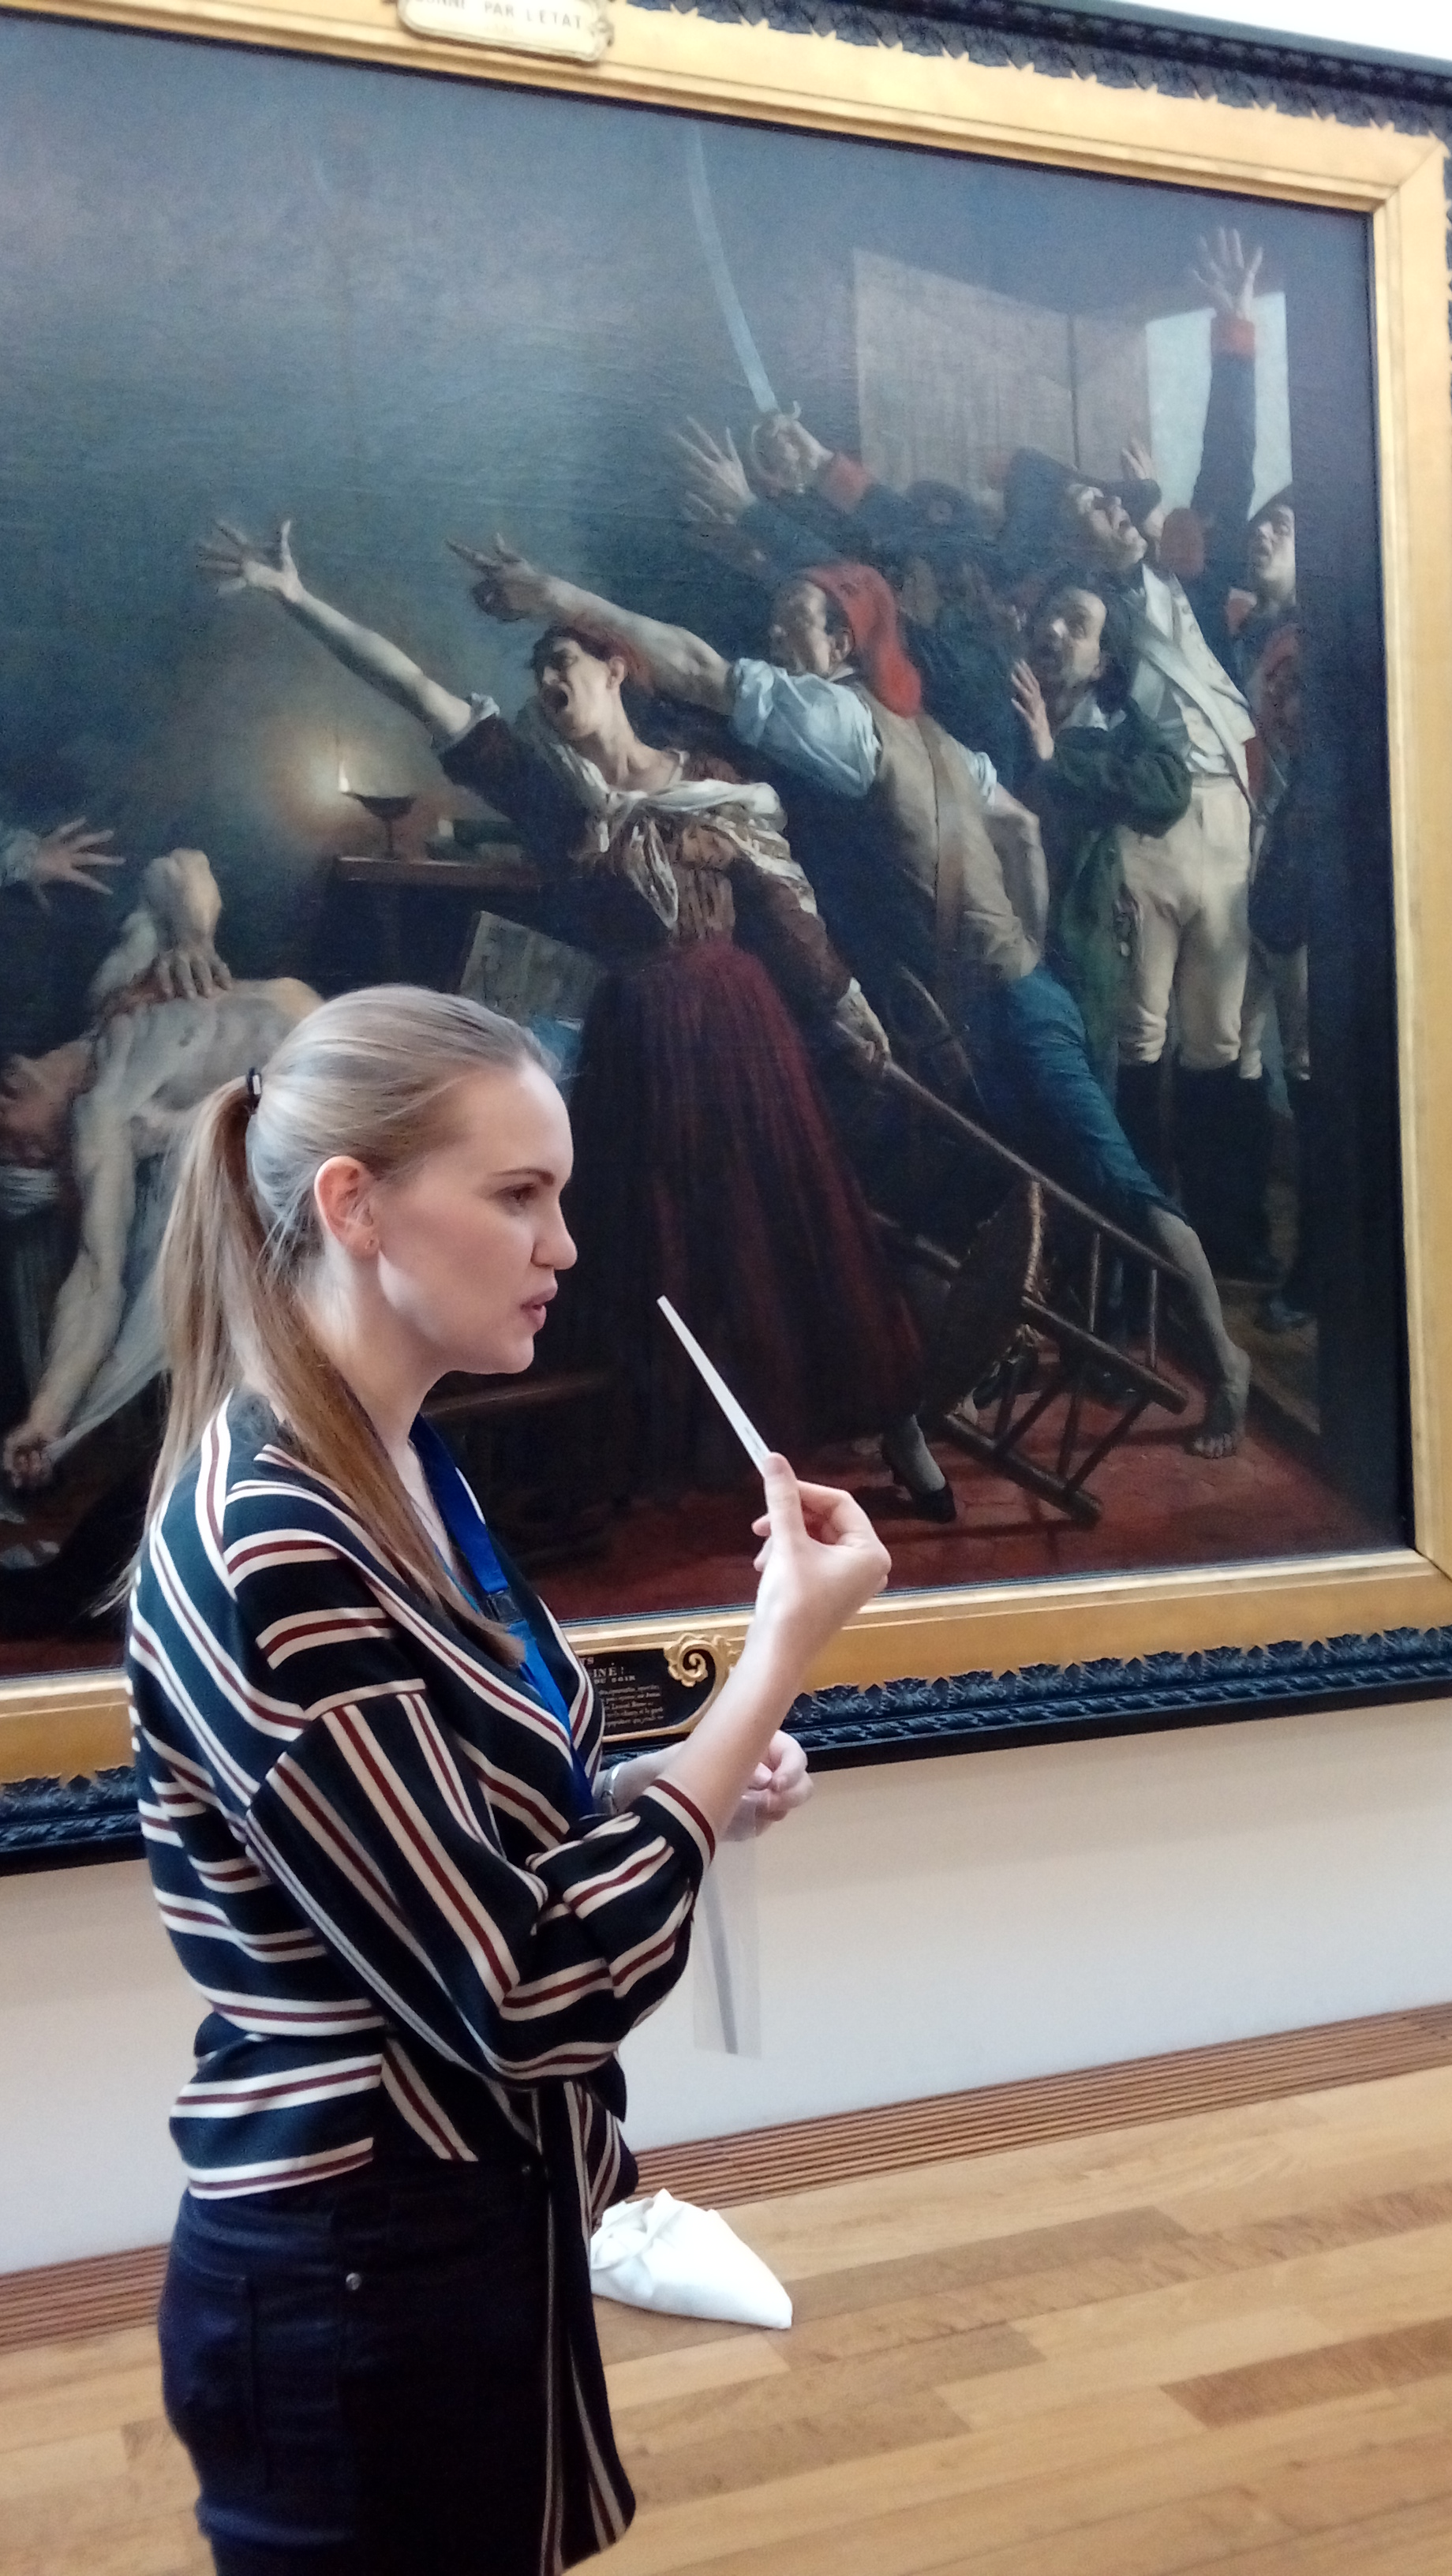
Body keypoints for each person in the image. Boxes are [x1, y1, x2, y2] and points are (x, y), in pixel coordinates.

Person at [128, 984, 889, 2574]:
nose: (563, 1246)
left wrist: (672, 1785)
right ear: (356, 1204)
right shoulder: (276, 1541)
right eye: (519, 1195)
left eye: (562, 1195)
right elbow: (524, 1983)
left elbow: (464, 1825)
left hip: (465, 2233)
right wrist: (767, 1668)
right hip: (359, 2277)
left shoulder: (399, 1468)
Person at [197, 519, 947, 1519]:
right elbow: (414, 688)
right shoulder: (553, 797)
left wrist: (846, 1008)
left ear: (615, 669)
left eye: (565, 661)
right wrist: (296, 598)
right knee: (669, 1241)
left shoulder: (713, 782)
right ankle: (715, 1465)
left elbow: (786, 908)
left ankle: (903, 1438)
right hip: (643, 1041)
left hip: (741, 1030)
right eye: (540, 669)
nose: (550, 680)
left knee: (797, 1224)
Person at [458, 538, 1251, 1457]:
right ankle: (915, 1399)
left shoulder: (837, 720)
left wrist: (552, 592)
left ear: (843, 640)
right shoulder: (936, 740)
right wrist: (1023, 951)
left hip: (1000, 1013)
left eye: (793, 618)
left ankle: (1224, 1364)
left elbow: (703, 671)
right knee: (901, 1190)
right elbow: (1021, 832)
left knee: (1111, 1181)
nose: (774, 635)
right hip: (978, 1009)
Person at [2, 848, 312, 1490]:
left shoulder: (110, 997)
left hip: (362, 1038)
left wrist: (193, 938)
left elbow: (176, 867)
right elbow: (98, 1278)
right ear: (34, 1156)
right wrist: (46, 1417)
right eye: (1, 1136)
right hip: (351, 1101)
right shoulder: (108, 1121)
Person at [1008, 574, 1192, 1095]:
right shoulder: (998, 698)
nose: (1054, 629)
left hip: (1076, 938)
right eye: (1051, 615)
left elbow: (1170, 790)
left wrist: (1057, 760)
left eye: (1076, 626)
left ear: (1100, 664)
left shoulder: (1111, 724)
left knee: (1082, 1086)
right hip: (995, 929)